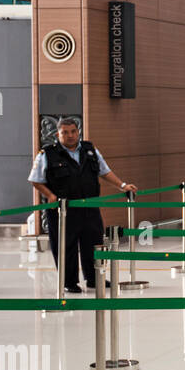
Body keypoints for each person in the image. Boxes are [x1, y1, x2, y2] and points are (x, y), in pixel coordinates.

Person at [28, 118, 137, 294]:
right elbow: (35, 180)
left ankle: (94, 278)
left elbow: (105, 171)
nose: (70, 136)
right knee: (66, 246)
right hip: (63, 211)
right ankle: (69, 282)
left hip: (90, 207)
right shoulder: (47, 154)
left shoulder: (90, 150)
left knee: (94, 243)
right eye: (65, 132)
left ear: (78, 132)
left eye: (73, 131)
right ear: (58, 134)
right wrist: (50, 195)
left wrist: (122, 186)